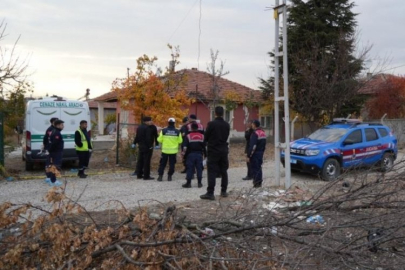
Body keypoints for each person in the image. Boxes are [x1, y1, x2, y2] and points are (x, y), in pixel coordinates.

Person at [200, 106, 230, 200]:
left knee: (212, 171)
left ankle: (210, 192)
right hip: (224, 150)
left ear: (215, 113)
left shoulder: (212, 124)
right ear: (223, 113)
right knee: (224, 171)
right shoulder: (227, 125)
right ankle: (224, 191)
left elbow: (206, 137)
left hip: (213, 150)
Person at [181, 123, 206, 188]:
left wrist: (183, 155)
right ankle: (199, 183)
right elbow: (205, 147)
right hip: (199, 154)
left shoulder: (188, 136)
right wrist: (206, 155)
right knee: (199, 168)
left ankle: (188, 183)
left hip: (190, 154)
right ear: (197, 128)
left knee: (190, 169)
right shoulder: (202, 136)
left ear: (191, 128)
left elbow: (185, 147)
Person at [247, 120, 266, 188]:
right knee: (259, 167)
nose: (251, 125)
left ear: (254, 125)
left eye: (252, 124)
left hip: (255, 153)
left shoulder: (255, 133)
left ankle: (256, 183)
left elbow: (253, 146)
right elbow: (264, 145)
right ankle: (259, 182)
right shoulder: (263, 132)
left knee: (255, 168)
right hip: (260, 152)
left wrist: (249, 156)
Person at [46, 120, 65, 187]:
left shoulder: (55, 131)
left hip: (55, 152)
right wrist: (51, 151)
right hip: (56, 152)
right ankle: (53, 180)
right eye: (62, 125)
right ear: (58, 125)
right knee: (55, 166)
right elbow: (54, 143)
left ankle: (51, 179)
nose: (63, 126)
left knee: (52, 165)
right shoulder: (56, 133)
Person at [43, 117, 58, 184]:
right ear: (52, 122)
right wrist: (46, 147)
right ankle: (49, 177)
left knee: (53, 163)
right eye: (56, 121)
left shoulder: (55, 129)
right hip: (50, 149)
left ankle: (52, 177)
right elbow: (46, 139)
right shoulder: (50, 129)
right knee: (49, 163)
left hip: (54, 149)